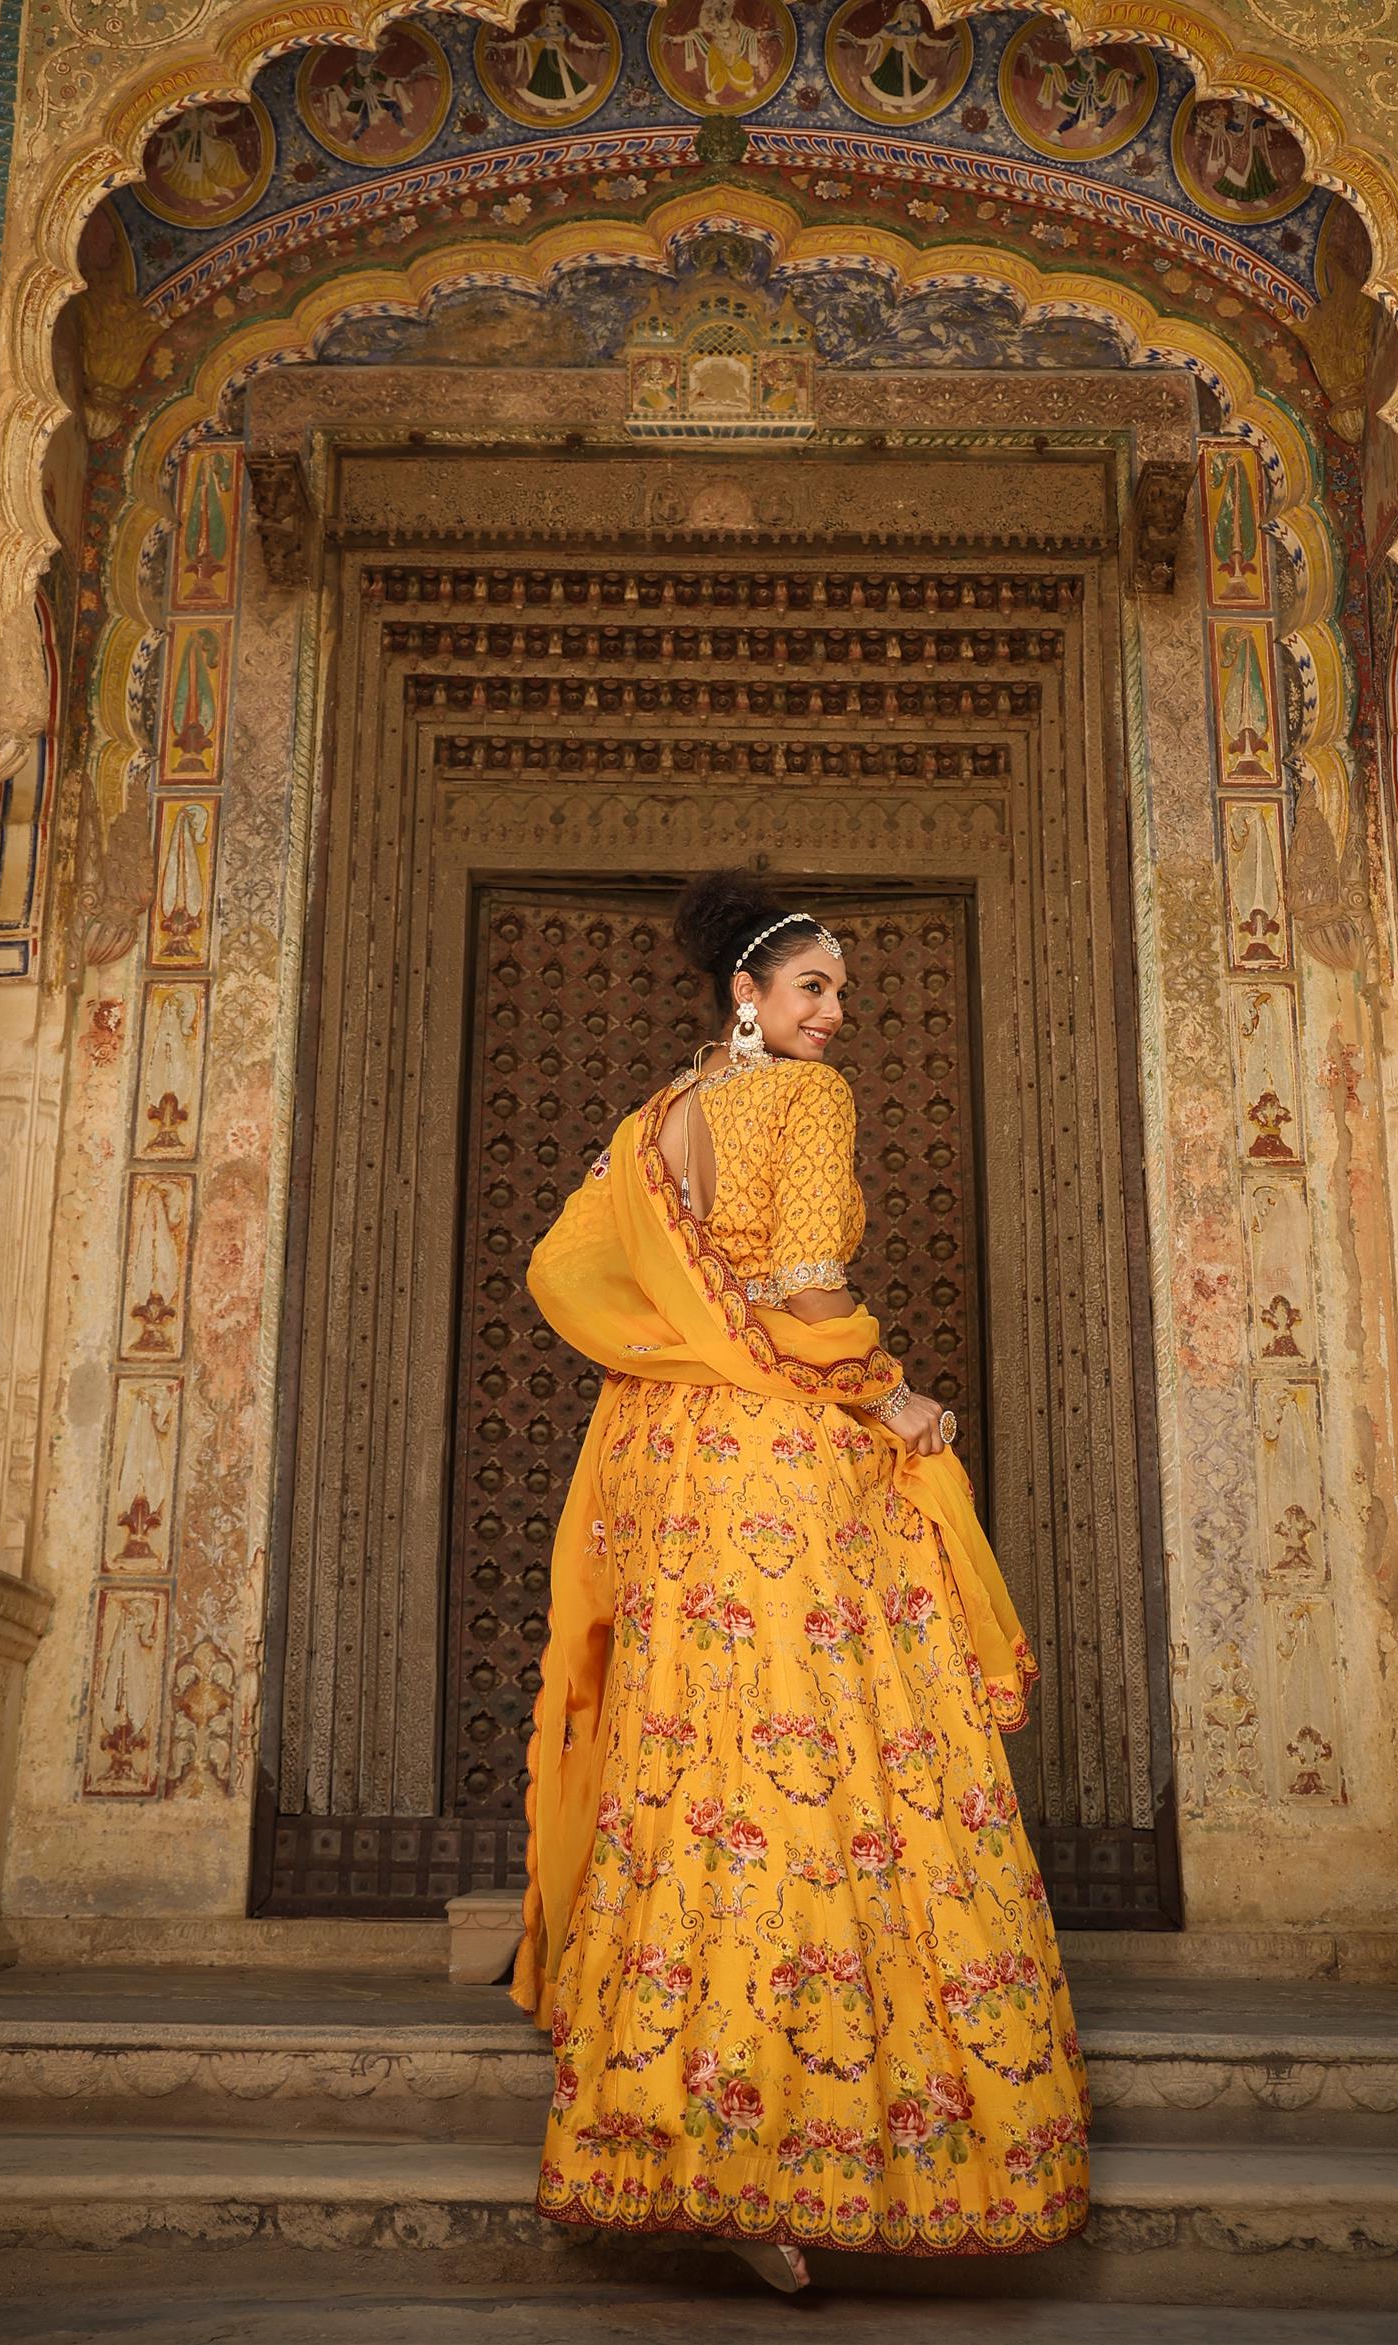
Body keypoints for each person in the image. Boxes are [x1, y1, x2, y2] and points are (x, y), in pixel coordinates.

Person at [511, 870, 1089, 2289]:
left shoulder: (655, 1125)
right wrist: (886, 1395)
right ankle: (814, 2141)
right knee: (833, 1758)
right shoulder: (804, 1105)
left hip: (669, 1458)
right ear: (749, 997)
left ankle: (681, 2134)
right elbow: (814, 1288)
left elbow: (567, 1272)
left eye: (842, 989)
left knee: (699, 1763)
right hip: (781, 1456)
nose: (838, 1012)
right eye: (814, 987)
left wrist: (739, 1355)